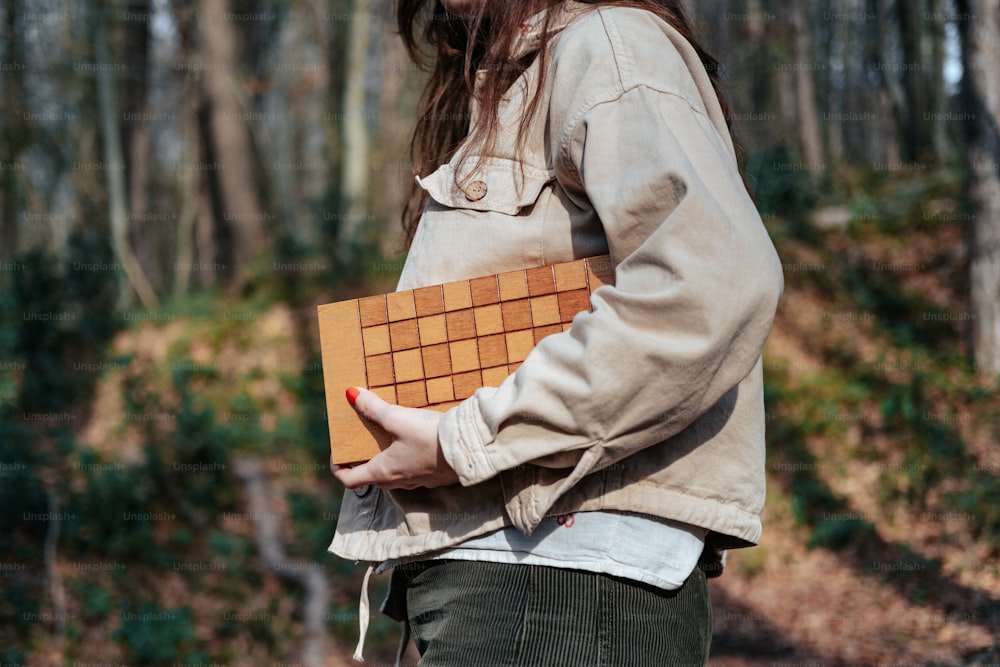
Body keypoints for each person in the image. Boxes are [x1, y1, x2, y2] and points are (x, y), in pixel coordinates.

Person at [330, 0, 784, 664]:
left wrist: (465, 441)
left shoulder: (607, 42)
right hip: (511, 579)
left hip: (559, 580)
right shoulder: (504, 75)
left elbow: (713, 284)